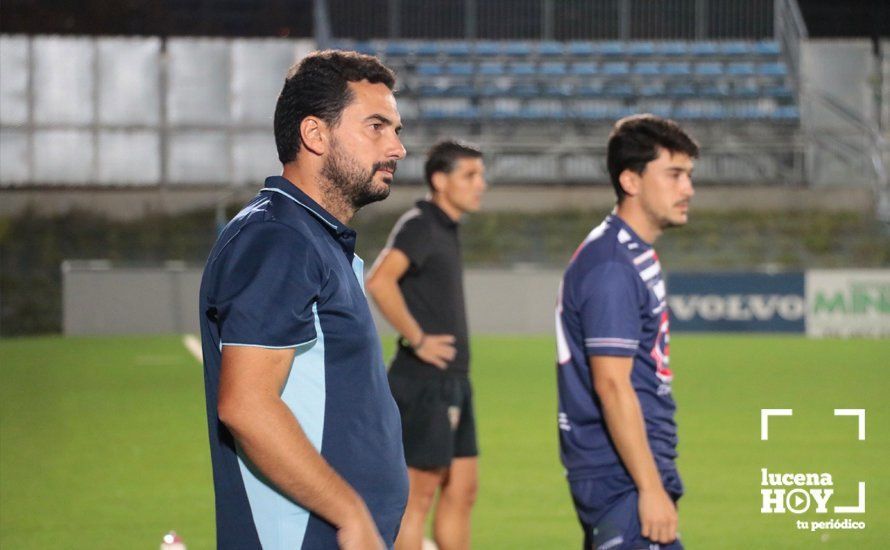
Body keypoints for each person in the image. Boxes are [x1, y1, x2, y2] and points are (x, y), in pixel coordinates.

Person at [198, 50, 408, 550]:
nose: (397, 148)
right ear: (315, 134)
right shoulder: (278, 238)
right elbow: (246, 405)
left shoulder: (312, 237)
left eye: (397, 130)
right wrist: (351, 513)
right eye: (376, 126)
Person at [555, 114, 698, 550]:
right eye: (674, 175)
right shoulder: (612, 265)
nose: (688, 189)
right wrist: (650, 488)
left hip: (630, 472)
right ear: (631, 180)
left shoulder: (632, 253)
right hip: (621, 476)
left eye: (689, 176)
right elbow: (613, 385)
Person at [365, 140, 486, 550]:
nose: (480, 184)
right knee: (416, 498)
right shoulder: (421, 223)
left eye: (480, 175)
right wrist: (417, 339)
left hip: (453, 381)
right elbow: (380, 280)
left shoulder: (446, 228)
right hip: (424, 382)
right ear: (439, 179)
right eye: (470, 175)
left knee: (464, 489)